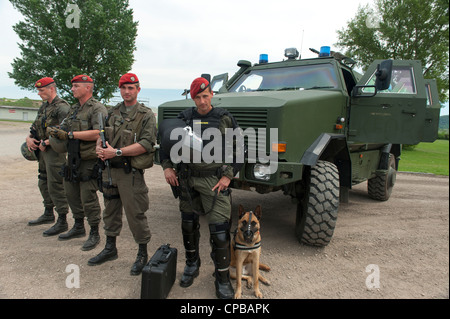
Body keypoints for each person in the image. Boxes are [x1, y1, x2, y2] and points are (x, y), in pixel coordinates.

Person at [160, 77, 242, 299]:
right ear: (193, 98)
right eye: (198, 97)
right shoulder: (185, 117)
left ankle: (222, 278)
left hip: (213, 181)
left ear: (212, 95)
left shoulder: (224, 118)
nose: (202, 101)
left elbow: (241, 148)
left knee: (220, 233)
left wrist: (228, 176)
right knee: (188, 224)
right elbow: (166, 142)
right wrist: (167, 168)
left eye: (206, 96)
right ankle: (191, 264)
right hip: (187, 179)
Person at [87, 73, 156, 276]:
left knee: (135, 213)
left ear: (138, 90)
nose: (127, 91)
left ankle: (142, 253)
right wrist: (100, 147)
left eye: (131, 88)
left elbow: (146, 144)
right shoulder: (112, 112)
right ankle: (110, 248)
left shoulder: (146, 115)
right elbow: (102, 135)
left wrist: (116, 152)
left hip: (129, 172)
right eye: (124, 88)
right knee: (110, 210)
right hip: (110, 170)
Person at [47, 75, 107, 251]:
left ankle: (94, 232)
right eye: (72, 86)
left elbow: (100, 132)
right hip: (72, 158)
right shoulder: (74, 109)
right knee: (71, 193)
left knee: (87, 197)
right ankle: (78, 226)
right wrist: (58, 131)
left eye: (76, 86)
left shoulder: (97, 108)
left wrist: (72, 135)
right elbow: (65, 127)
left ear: (88, 88)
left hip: (89, 160)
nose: (72, 89)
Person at [26, 77, 70, 232]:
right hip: (42, 151)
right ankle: (48, 212)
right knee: (43, 181)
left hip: (54, 151)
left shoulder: (62, 107)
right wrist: (29, 139)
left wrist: (47, 142)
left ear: (51, 89)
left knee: (56, 184)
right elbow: (35, 125)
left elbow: (66, 130)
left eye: (41, 90)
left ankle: (62, 219)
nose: (39, 93)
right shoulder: (44, 107)